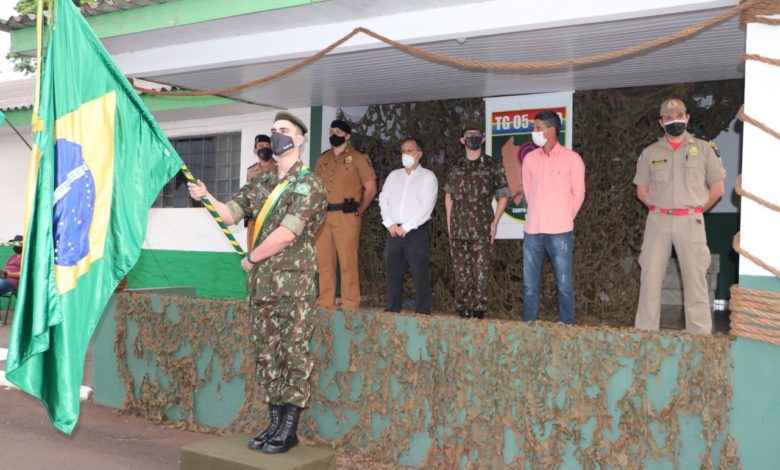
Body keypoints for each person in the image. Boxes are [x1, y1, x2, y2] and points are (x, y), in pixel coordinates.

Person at [187, 111, 327, 454]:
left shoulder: (310, 184)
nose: (276, 136)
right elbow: (231, 214)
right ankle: (274, 422)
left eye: (284, 131)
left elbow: (284, 235)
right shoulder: (263, 182)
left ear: (299, 139)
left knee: (292, 352)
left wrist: (251, 258)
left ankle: (289, 428)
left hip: (292, 285)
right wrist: (206, 197)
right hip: (263, 285)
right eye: (273, 130)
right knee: (267, 354)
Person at [633, 98, 725, 334]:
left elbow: (717, 189)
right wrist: (659, 206)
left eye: (679, 116)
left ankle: (699, 336)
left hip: (691, 221)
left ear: (687, 117)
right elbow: (641, 190)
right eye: (669, 117)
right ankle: (645, 335)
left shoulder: (705, 149)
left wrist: (694, 210)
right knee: (650, 280)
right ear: (661, 122)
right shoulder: (650, 152)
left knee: (695, 280)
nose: (675, 120)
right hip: (658, 222)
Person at [521, 111, 586, 325]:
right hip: (532, 231)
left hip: (560, 232)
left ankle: (567, 325)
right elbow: (529, 191)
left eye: (538, 128)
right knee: (530, 285)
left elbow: (579, 194)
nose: (534, 132)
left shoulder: (572, 159)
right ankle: (530, 324)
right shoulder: (530, 159)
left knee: (564, 284)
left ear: (551, 131)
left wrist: (564, 217)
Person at [444, 125, 510, 319]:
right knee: (460, 271)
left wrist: (495, 222)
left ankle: (479, 308)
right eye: (468, 136)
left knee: (481, 271)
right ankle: (463, 307)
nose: (473, 138)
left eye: (477, 136)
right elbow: (448, 197)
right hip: (458, 226)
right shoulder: (455, 165)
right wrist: (449, 224)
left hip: (482, 226)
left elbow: (504, 195)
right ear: (462, 141)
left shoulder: (491, 164)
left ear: (482, 140)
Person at [314, 119, 377, 309]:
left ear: (348, 136)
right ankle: (325, 301)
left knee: (347, 261)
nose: (334, 134)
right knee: (324, 261)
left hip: (347, 216)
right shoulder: (323, 159)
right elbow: (315, 187)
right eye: (332, 130)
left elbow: (371, 188)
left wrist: (359, 210)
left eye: (339, 132)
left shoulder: (358, 158)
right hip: (324, 216)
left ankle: (350, 302)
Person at [379, 138, 438, 314]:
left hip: (415, 231)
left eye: (409, 151)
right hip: (393, 230)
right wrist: (390, 223)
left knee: (419, 272)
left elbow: (426, 206)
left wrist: (407, 226)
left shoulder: (428, 177)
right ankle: (392, 308)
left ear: (419, 154)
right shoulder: (393, 175)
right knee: (393, 272)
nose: (405, 154)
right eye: (403, 151)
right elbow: (384, 199)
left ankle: (422, 310)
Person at [245, 134, 276, 247]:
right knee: (253, 254)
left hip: (273, 220)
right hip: (254, 221)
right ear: (255, 150)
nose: (265, 148)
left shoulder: (280, 168)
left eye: (268, 146)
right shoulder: (251, 172)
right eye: (261, 146)